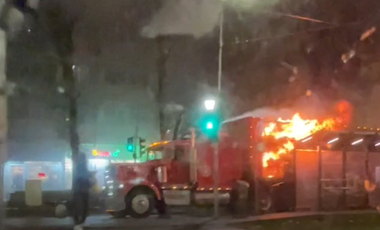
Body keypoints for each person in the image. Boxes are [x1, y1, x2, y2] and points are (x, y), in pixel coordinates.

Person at [72, 153, 93, 230]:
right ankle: (78, 224)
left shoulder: (80, 166)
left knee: (82, 207)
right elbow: (81, 177)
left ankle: (79, 223)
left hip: (81, 189)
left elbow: (80, 176)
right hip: (82, 189)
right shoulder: (81, 166)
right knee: (82, 207)